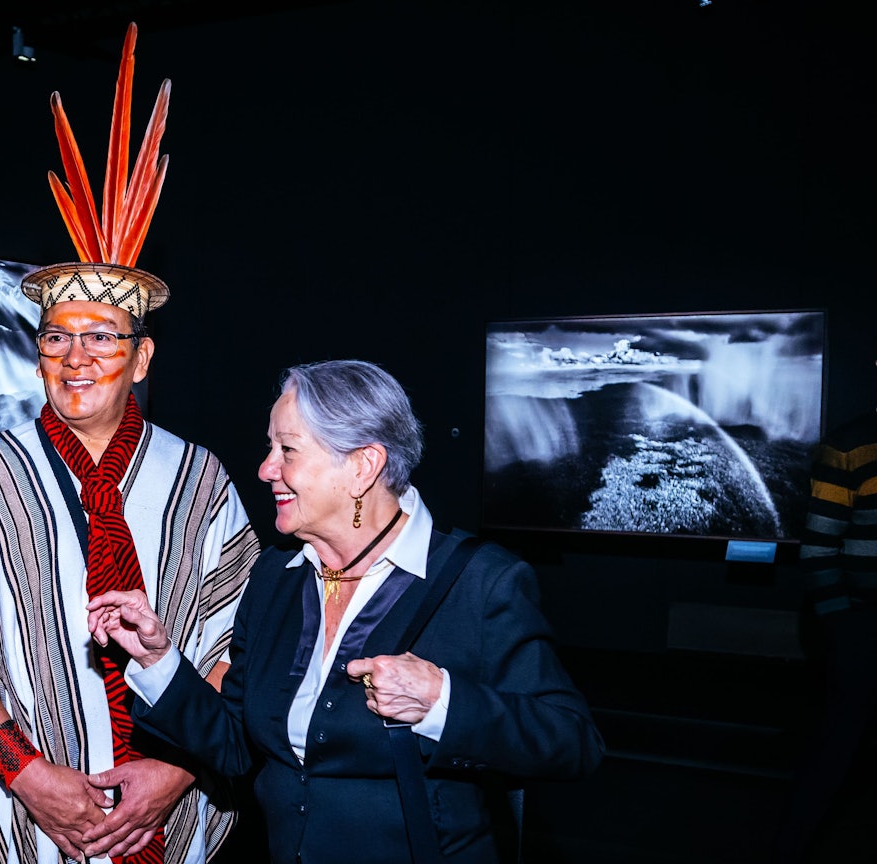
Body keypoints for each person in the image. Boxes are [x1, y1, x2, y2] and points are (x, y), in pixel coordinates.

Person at [0, 22, 261, 864]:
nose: (76, 358)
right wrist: (29, 775)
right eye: (57, 338)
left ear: (142, 356)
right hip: (14, 811)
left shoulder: (197, 477)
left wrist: (176, 772)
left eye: (102, 337)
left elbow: (236, 643)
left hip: (169, 808)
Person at [88, 360, 606, 864]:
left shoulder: (482, 582)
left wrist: (440, 700)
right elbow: (236, 747)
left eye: (287, 449)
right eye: (271, 448)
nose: (266, 468)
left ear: (362, 466)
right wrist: (159, 661)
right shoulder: (275, 579)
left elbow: (572, 742)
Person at [774, 359, 877, 862]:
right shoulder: (851, 445)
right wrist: (845, 628)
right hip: (861, 625)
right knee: (834, 750)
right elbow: (817, 550)